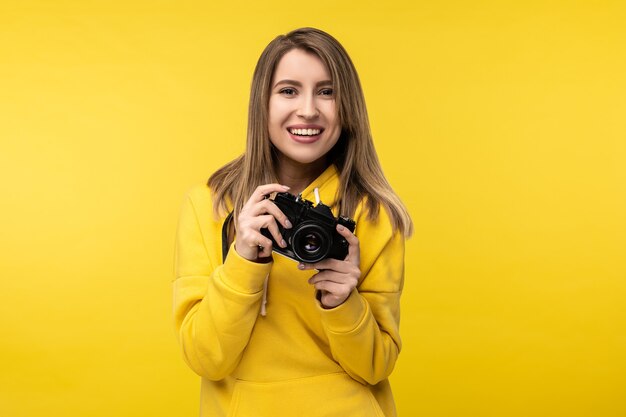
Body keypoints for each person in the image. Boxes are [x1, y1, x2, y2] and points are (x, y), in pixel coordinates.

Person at [173, 27, 413, 417]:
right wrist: (244, 262)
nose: (308, 110)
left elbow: (376, 368)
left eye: (327, 91)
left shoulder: (375, 214)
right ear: (261, 104)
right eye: (288, 90)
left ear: (347, 106)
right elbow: (206, 359)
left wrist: (343, 303)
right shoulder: (210, 205)